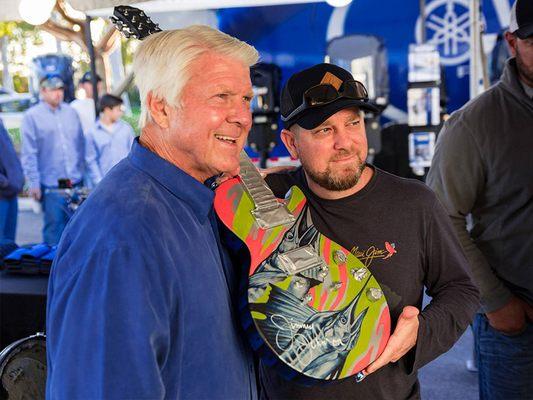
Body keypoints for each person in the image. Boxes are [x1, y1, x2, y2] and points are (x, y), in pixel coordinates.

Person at [46, 25, 259, 399]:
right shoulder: (124, 237)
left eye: (245, 98)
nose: (241, 116)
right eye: (221, 97)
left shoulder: (199, 199)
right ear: (160, 107)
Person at [259, 63, 480, 399]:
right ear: (291, 144)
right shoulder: (267, 202)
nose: (345, 143)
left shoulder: (414, 203)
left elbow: (461, 289)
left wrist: (421, 331)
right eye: (324, 130)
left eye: (353, 123)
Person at [426, 1, 533, 398]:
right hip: (519, 328)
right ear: (511, 42)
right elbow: (440, 216)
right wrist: (495, 302)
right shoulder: (474, 125)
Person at [21, 76, 87, 246]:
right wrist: (33, 183)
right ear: (43, 91)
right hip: (51, 184)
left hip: (75, 181)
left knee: (78, 227)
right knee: (54, 228)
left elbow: (80, 143)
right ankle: (51, 268)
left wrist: (82, 172)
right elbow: (29, 153)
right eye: (53, 90)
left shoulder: (71, 112)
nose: (58, 93)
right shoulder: (32, 116)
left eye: (60, 89)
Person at [85, 94, 135, 186]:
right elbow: (91, 160)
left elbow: (133, 154)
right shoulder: (92, 133)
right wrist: (99, 182)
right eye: (118, 109)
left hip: (126, 182)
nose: (121, 113)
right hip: (104, 184)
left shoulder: (126, 129)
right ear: (107, 110)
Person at [0, 118, 24, 241]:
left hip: (10, 192)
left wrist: (18, 178)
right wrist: (4, 182)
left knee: (8, 246)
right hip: (3, 193)